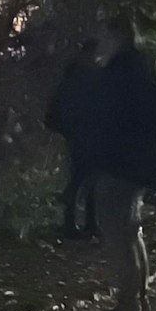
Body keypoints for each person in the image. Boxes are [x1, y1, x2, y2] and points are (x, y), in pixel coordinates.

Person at [87, 16, 156, 311]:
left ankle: (128, 305)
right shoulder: (144, 68)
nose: (100, 41)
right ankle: (139, 296)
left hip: (119, 163)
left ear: (117, 37)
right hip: (139, 164)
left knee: (120, 236)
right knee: (131, 232)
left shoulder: (119, 73)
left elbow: (105, 118)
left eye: (105, 35)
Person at [45, 39, 102, 237]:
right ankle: (79, 221)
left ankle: (81, 222)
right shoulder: (86, 75)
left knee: (86, 176)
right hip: (85, 132)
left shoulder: (74, 74)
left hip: (78, 132)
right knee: (86, 176)